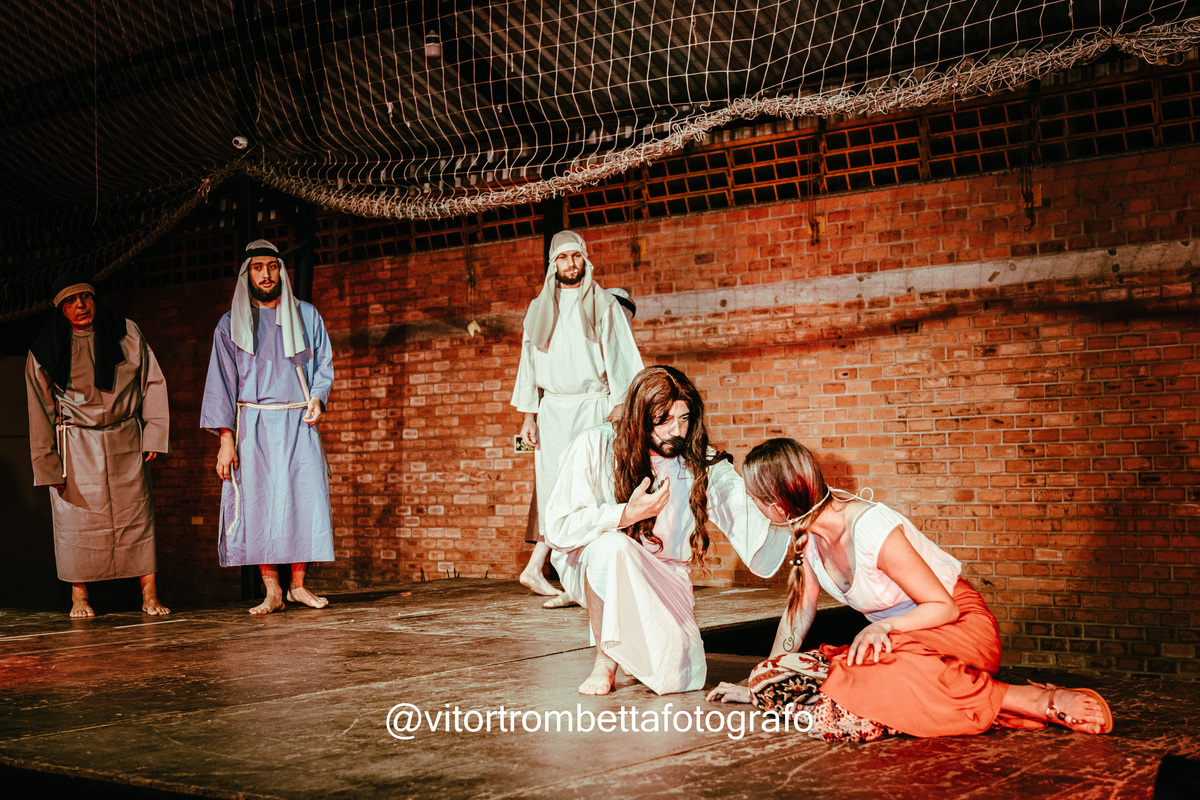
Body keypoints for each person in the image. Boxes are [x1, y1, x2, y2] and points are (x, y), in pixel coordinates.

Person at [707, 438, 1114, 740]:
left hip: (956, 627)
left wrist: (884, 627)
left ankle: (1026, 699)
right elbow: (799, 613)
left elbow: (944, 607)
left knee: (875, 671)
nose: (755, 508)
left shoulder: (872, 529)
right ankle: (901, 696)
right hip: (899, 643)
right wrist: (760, 679)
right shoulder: (807, 537)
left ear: (777, 505)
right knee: (781, 677)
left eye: (755, 499)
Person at [545, 366, 791, 695]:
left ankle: (636, 647)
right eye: (664, 420)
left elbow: (751, 514)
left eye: (684, 418)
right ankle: (605, 661)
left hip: (668, 576)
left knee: (679, 679)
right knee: (609, 547)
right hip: (598, 569)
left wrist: (798, 507)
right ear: (639, 418)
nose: (677, 430)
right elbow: (558, 527)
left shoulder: (700, 460)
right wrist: (625, 514)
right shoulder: (596, 445)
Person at [200, 240, 334, 615]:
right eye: (257, 268)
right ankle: (272, 589)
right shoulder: (229, 325)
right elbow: (221, 384)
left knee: (305, 499)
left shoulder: (306, 315)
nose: (266, 274)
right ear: (247, 275)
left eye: (272, 267)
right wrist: (226, 440)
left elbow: (323, 364)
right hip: (253, 424)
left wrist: (318, 397)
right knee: (259, 505)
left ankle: (298, 586)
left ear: (281, 272)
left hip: (297, 419)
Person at [25, 272, 170, 617]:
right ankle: (79, 597)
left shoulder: (126, 331)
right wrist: (48, 464)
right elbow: (40, 408)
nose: (80, 305)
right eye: (70, 301)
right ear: (60, 308)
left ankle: (149, 594)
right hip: (76, 444)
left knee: (137, 518)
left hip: (125, 438)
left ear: (94, 298)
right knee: (77, 522)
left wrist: (153, 433)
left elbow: (152, 381)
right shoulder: (45, 348)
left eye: (85, 297)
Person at [512, 230, 643, 607]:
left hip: (592, 407)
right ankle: (565, 577)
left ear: (585, 259)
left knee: (592, 491)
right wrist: (529, 417)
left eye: (575, 256)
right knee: (554, 492)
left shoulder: (604, 304)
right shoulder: (538, 308)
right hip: (553, 411)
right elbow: (528, 365)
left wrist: (621, 404)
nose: (570, 264)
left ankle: (587, 580)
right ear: (552, 264)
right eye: (562, 258)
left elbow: (621, 355)